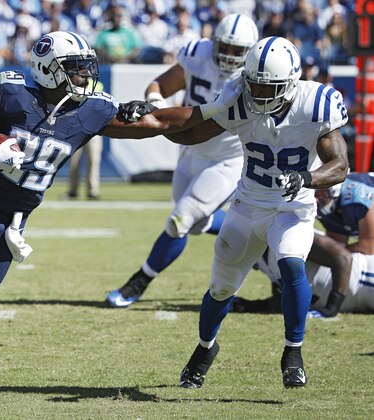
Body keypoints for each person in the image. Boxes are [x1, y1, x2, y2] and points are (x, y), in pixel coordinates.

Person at [0, 30, 243, 409]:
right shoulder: (12, 94)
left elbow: (163, 126)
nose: (84, 77)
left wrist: (220, 109)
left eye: (86, 69)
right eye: (75, 69)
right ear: (48, 69)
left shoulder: (91, 109)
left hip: (15, 220)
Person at [137, 36, 348, 389]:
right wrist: (155, 120)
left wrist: (307, 177)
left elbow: (339, 165)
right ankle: (205, 350)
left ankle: (292, 353)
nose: (261, 94)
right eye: (255, 85)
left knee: (291, 262)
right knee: (221, 289)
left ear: (291, 83)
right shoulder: (238, 97)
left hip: (292, 205)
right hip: (248, 202)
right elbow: (192, 134)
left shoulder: (317, 103)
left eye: (270, 88)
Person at [106, 14, 259, 307]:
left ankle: (138, 282)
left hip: (226, 160)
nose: (228, 55)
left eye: (236, 50)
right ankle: (256, 237)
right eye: (224, 47)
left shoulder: (250, 79)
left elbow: (195, 131)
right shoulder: (197, 54)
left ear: (249, 53)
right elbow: (158, 85)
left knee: (180, 221)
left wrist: (164, 123)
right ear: (213, 43)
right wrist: (159, 105)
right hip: (190, 154)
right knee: (197, 224)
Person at [233, 233, 374, 316]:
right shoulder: (262, 260)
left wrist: (332, 308)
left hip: (365, 276)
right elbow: (283, 300)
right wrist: (248, 305)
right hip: (358, 301)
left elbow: (342, 259)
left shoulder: (287, 235)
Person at [315, 172, 374, 255]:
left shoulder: (358, 200)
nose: (316, 199)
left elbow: (368, 248)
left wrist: (339, 254)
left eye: (319, 193)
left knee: (365, 262)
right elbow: (336, 246)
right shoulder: (322, 208)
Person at [65, 79, 105, 200]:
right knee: (73, 161)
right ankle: (72, 190)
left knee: (93, 159)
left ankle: (93, 190)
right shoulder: (72, 83)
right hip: (76, 127)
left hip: (94, 127)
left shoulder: (97, 85)